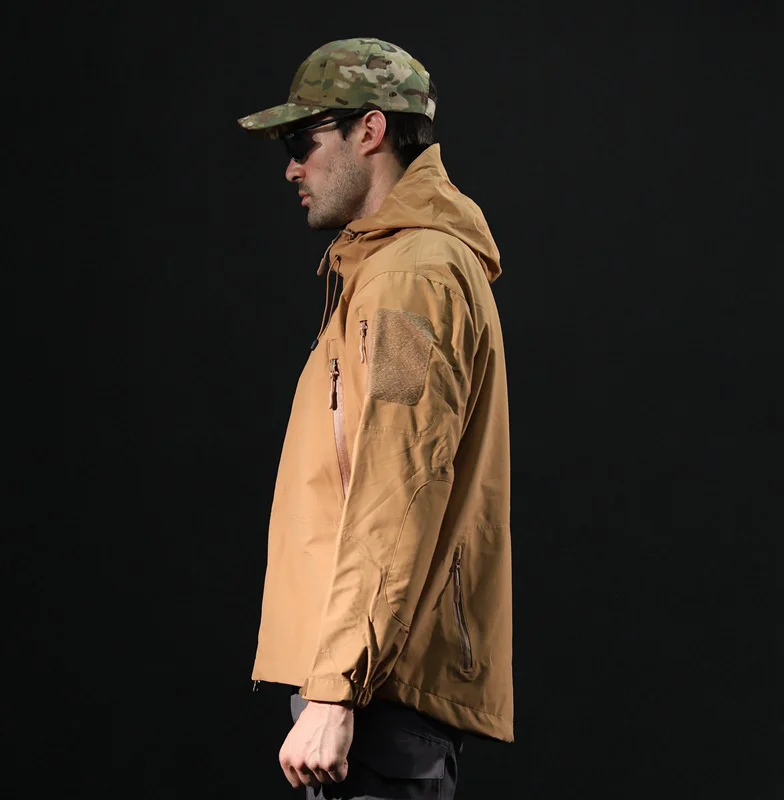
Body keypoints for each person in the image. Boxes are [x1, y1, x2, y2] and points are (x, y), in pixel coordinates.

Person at [237, 37, 513, 799]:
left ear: (370, 130)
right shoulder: (388, 270)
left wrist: (336, 691)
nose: (292, 168)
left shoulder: (410, 280)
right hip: (370, 684)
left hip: (372, 696)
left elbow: (399, 484)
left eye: (302, 141)